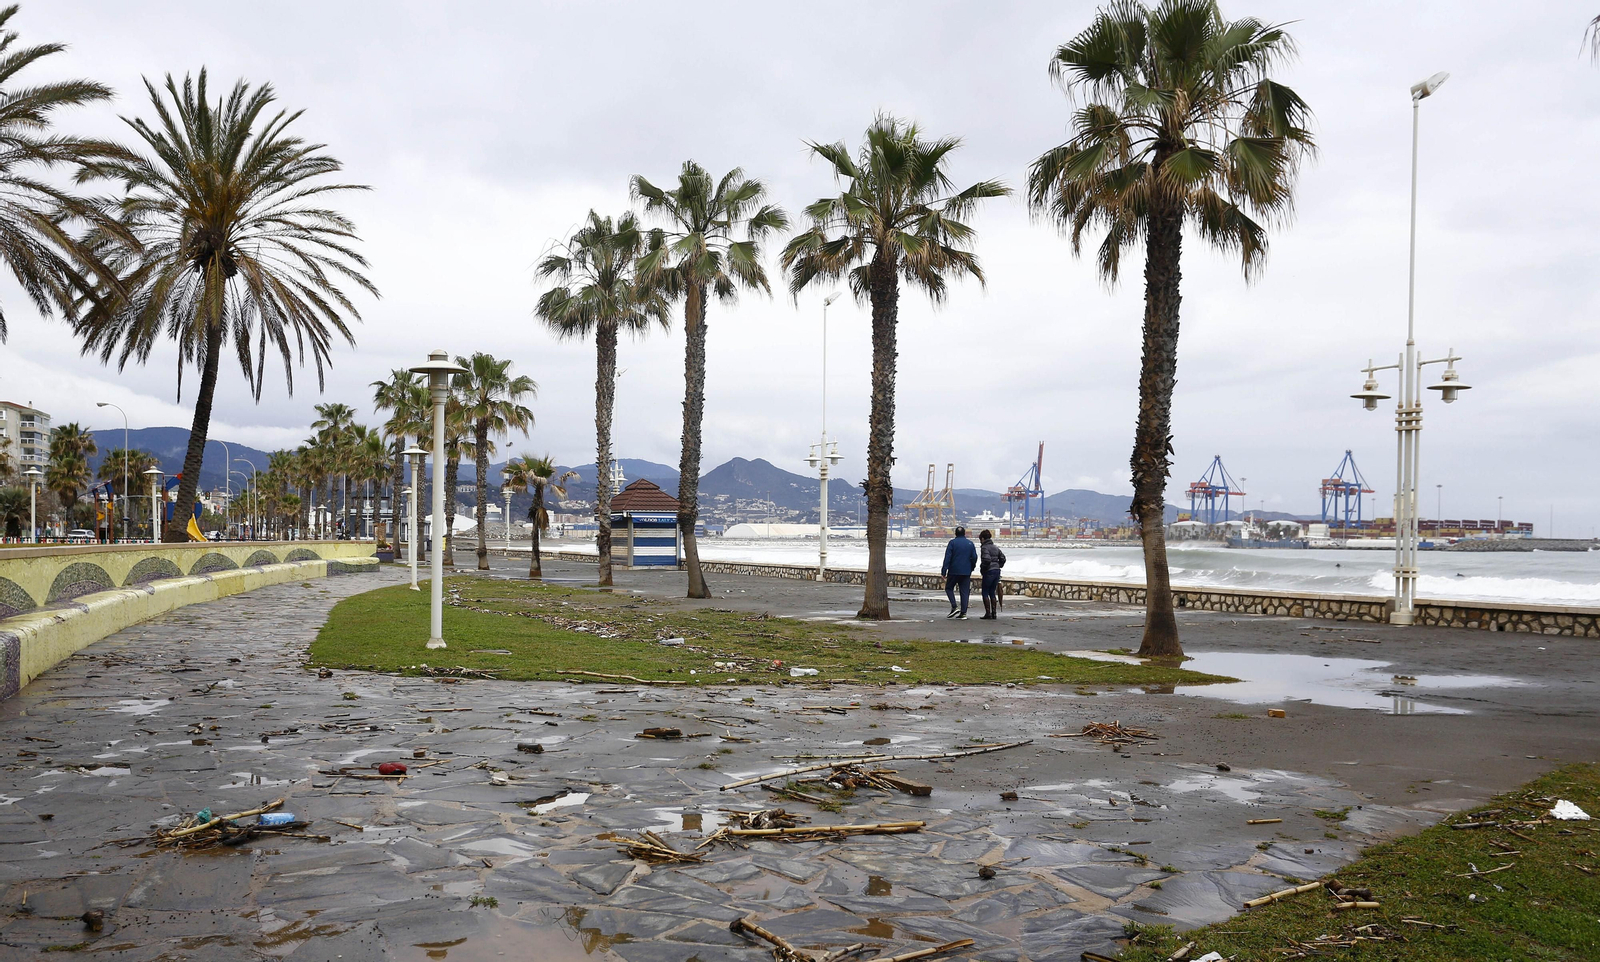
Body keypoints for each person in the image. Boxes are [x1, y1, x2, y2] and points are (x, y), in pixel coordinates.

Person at [941, 526, 977, 619]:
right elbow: (974, 557)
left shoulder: (952, 543)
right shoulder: (970, 543)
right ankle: (963, 613)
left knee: (949, 588)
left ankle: (954, 606)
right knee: (964, 592)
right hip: (966, 571)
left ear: (955, 533)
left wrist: (944, 571)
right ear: (964, 533)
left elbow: (947, 557)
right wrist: (971, 568)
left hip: (953, 570)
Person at [979, 529, 1006, 619]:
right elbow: (1003, 558)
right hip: (997, 571)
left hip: (989, 571)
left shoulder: (984, 548)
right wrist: (999, 565)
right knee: (992, 592)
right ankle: (994, 613)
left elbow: (986, 560)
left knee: (985, 592)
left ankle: (988, 613)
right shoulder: (995, 547)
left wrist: (983, 569)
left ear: (982, 539)